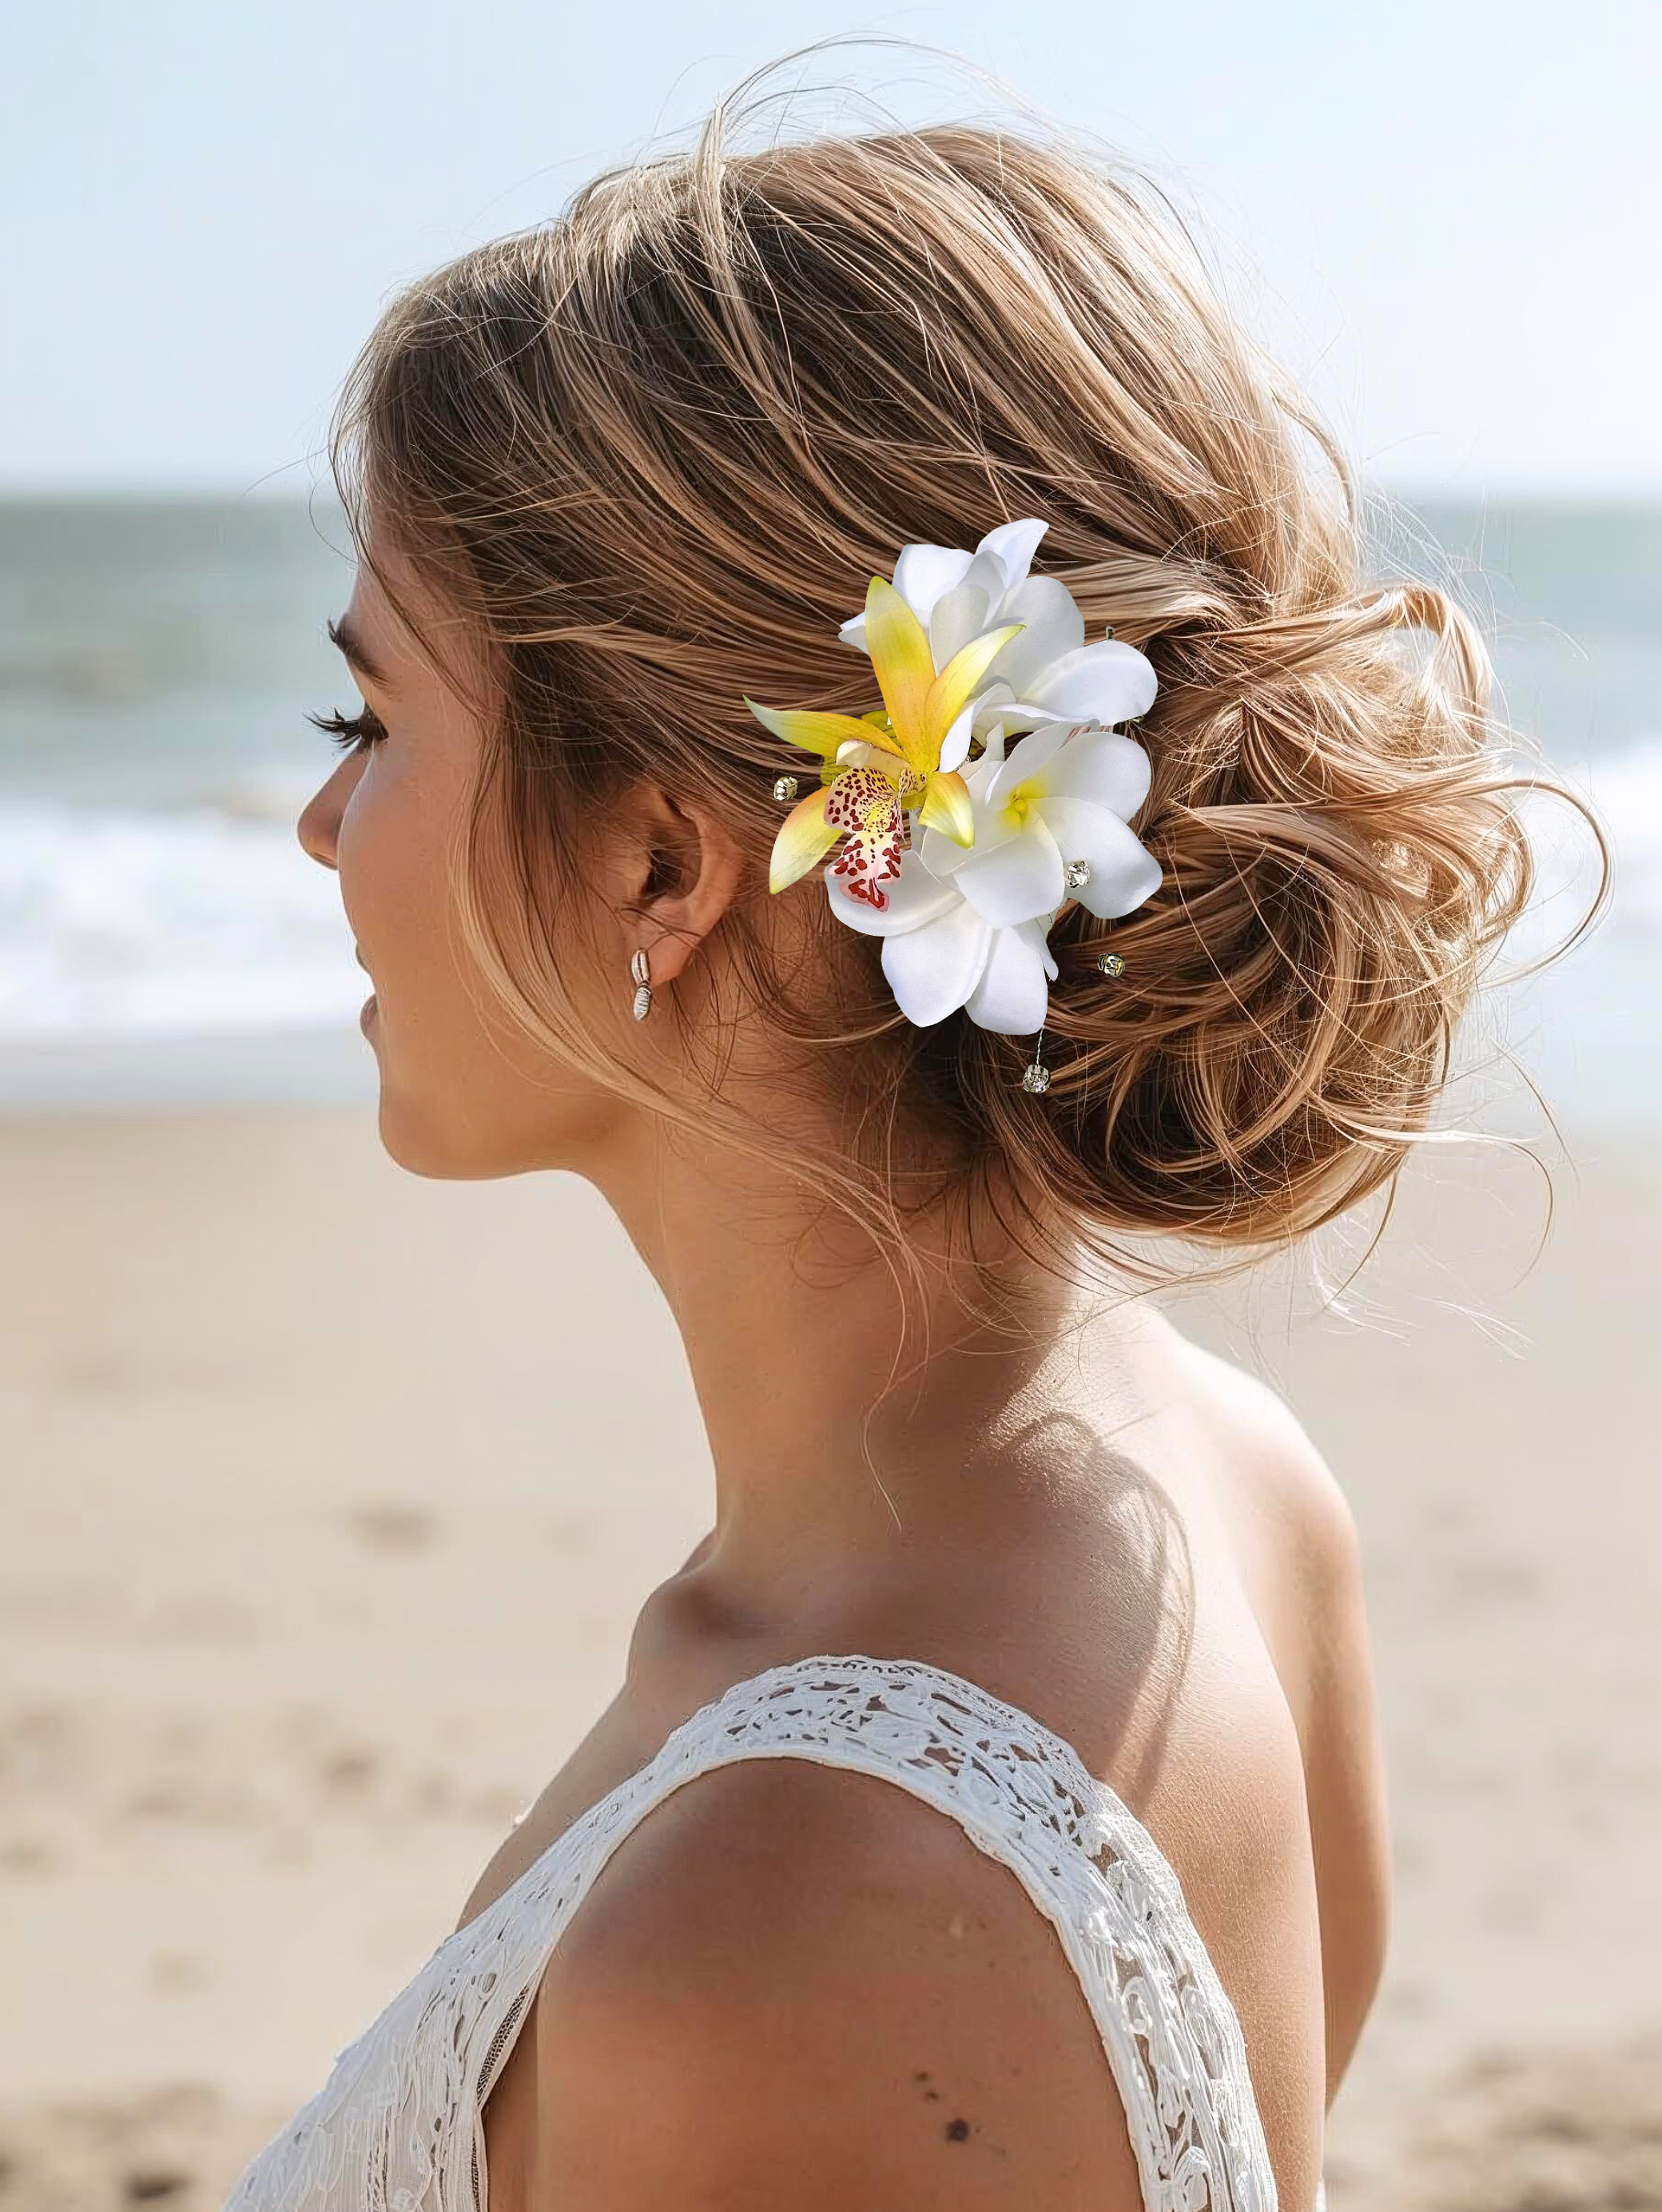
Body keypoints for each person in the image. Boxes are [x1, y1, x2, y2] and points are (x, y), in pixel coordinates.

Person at [231, 51, 1596, 2212]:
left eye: (371, 716)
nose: (322, 822)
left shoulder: (787, 1919)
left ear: (665, 862)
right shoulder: (1230, 1483)